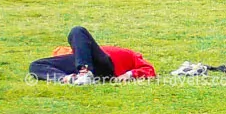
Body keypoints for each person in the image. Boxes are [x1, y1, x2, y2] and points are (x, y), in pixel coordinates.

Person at [27, 27, 155, 84]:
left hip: (105, 67)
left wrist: (129, 75)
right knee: (35, 65)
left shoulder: (131, 54)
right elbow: (59, 55)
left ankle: (85, 73)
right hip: (77, 65)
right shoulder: (75, 51)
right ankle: (68, 79)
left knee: (77, 31)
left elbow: (149, 69)